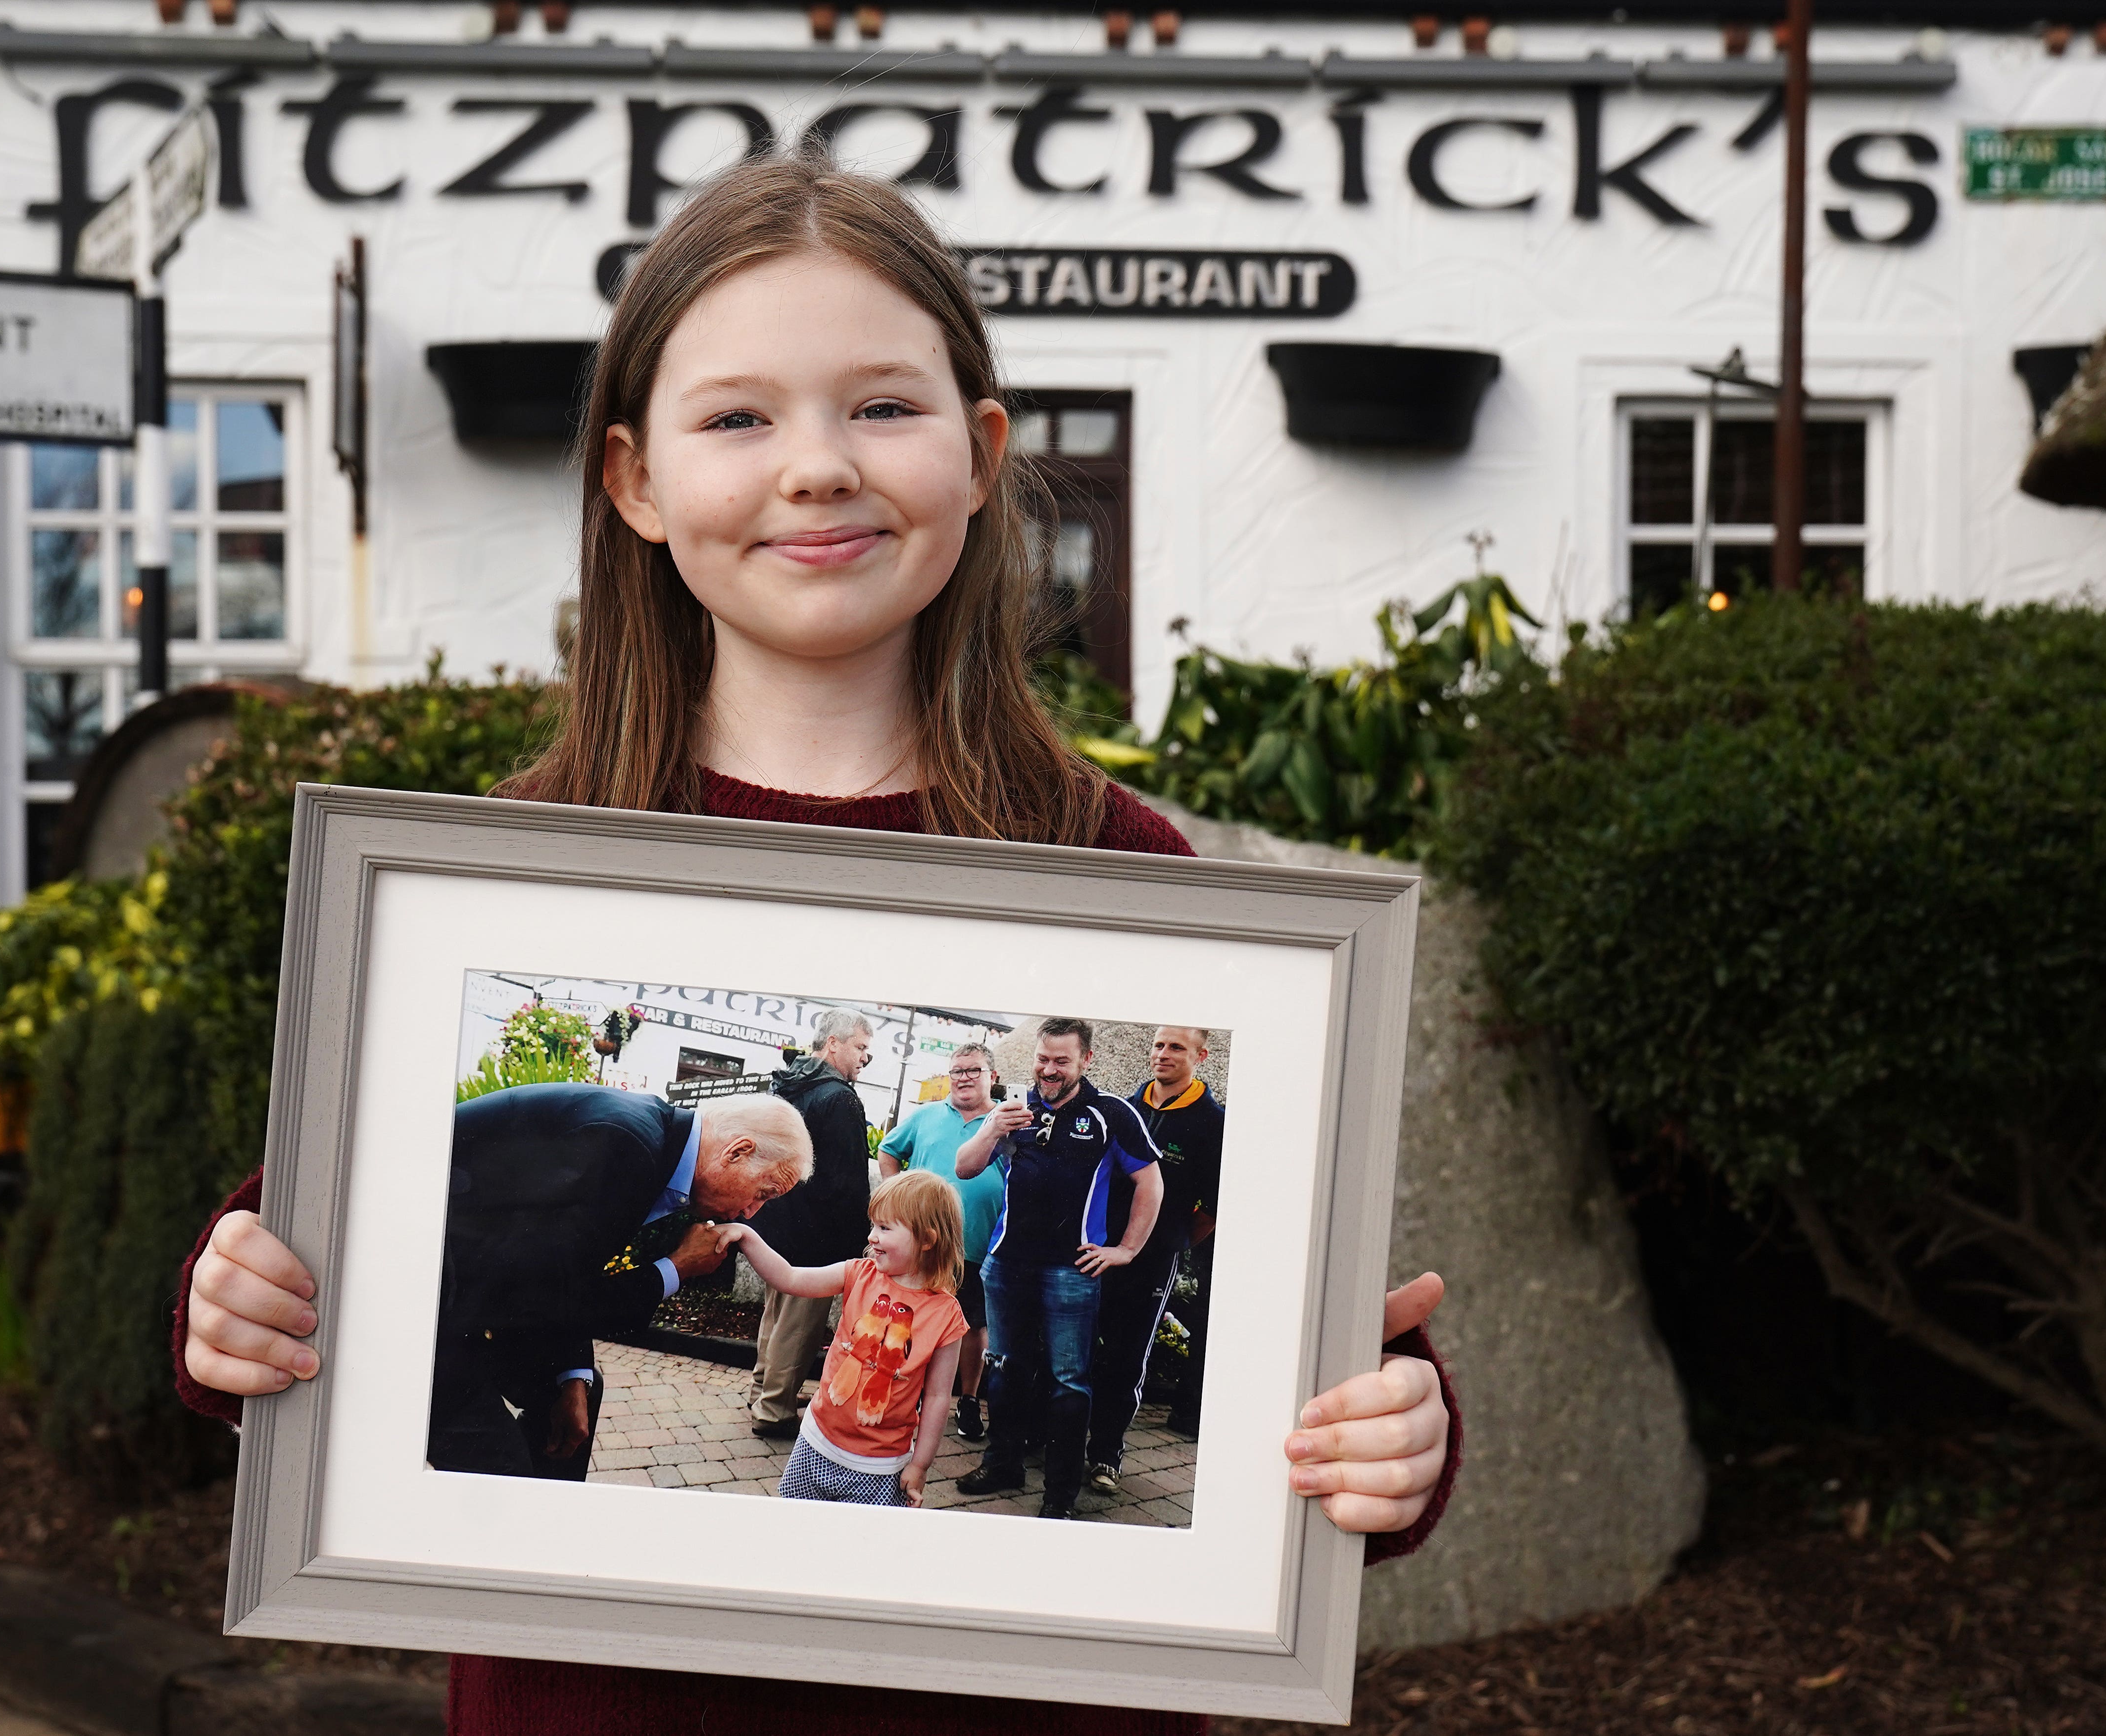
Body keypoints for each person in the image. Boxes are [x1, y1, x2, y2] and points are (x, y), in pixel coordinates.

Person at [175, 146, 1458, 1736]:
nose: (816, 466)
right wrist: (236, 1303)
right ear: (635, 480)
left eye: (881, 406)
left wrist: (1385, 1437)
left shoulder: (1128, 868)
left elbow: (1305, 1340)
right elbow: (332, 1235)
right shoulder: (494, 862)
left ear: (981, 453)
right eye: (737, 416)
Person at [428, 1083, 814, 1480]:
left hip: (472, 1286)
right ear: (738, 1152)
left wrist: (572, 1376)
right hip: (425, 1298)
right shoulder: (626, 1145)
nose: (751, 1212)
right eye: (763, 1193)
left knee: (577, 1392)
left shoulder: (653, 1139)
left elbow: (562, 1269)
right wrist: (677, 1268)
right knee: (500, 1472)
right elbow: (540, 1292)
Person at [948, 1017, 1161, 1519]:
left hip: (1072, 1271)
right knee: (1002, 1368)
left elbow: (1151, 1184)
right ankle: (1003, 1463)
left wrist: (1126, 1249)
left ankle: (1059, 1495)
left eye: (1061, 1061)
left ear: (1086, 1061)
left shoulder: (1111, 1113)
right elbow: (964, 1167)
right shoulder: (1015, 1108)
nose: (1048, 1069)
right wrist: (994, 1128)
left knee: (1070, 1381)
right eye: (1043, 1058)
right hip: (1006, 1264)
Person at [727, 1169, 969, 1507]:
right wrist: (747, 1237)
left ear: (927, 1240)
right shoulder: (860, 1273)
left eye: (885, 1228)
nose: (872, 1237)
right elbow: (790, 1277)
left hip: (881, 1468)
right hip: (815, 1444)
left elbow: (939, 1398)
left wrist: (920, 1465)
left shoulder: (946, 1316)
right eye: (874, 1225)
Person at [1084, 1026, 1225, 1488]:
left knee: (1128, 1354)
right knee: (1079, 1343)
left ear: (1201, 1056)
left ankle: (1106, 1453)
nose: (1163, 1054)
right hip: (1098, 1249)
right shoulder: (1125, 1106)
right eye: (1159, 1045)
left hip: (1153, 1260)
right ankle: (1057, 1434)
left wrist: (1176, 1242)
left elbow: (1212, 1205)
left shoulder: (1213, 1122)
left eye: (1177, 1048)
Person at [743, 1008, 876, 1439]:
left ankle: (762, 1389)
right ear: (833, 1043)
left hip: (779, 1222)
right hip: (818, 1233)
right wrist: (860, 1237)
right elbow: (849, 1180)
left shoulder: (789, 1084)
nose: (864, 1058)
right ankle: (775, 1411)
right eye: (860, 1048)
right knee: (799, 1323)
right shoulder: (840, 1097)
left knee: (777, 1313)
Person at [876, 1040, 1004, 1439]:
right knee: (912, 1317)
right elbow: (888, 1150)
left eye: (974, 1071)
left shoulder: (1006, 1123)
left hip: (980, 1245)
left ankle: (966, 1400)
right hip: (925, 1246)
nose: (964, 1079)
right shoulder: (927, 1115)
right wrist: (898, 1200)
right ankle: (904, 1396)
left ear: (993, 1077)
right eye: (957, 1071)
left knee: (973, 1325)